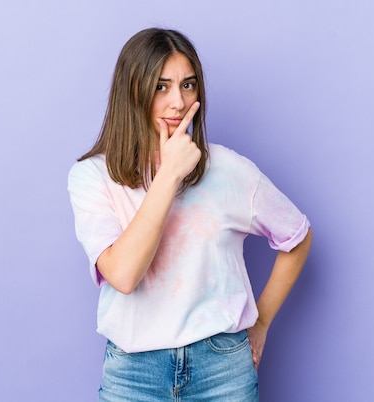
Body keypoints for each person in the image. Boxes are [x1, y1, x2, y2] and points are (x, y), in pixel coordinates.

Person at [68, 28, 312, 401]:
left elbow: (297, 236)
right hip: (134, 376)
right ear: (132, 91)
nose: (178, 103)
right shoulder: (92, 177)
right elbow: (124, 274)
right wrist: (168, 174)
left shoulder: (228, 169)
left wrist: (260, 322)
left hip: (222, 371)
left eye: (188, 85)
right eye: (161, 86)